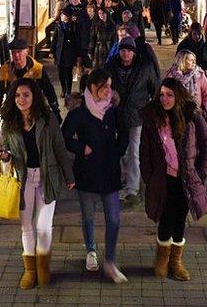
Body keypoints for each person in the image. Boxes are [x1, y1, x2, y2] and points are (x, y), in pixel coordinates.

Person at [0, 79, 75, 289]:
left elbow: (59, 147)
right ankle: (30, 271)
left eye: (26, 95)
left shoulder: (47, 119)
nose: (22, 99)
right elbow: (5, 150)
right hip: (22, 179)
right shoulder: (9, 122)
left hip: (47, 176)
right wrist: (4, 157)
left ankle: (43, 267)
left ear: (34, 97)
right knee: (26, 226)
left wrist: (69, 175)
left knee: (43, 227)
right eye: (18, 96)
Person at [140, 78, 207, 281]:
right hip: (163, 180)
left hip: (186, 179)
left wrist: (201, 173)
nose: (164, 98)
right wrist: (149, 177)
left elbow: (206, 144)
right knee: (165, 219)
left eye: (169, 94)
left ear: (178, 96)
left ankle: (176, 262)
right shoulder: (152, 118)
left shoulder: (192, 115)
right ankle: (162, 259)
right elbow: (144, 153)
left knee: (180, 219)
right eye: (161, 94)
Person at [61, 69, 129, 284]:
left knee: (114, 218)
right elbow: (64, 138)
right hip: (87, 172)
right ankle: (91, 250)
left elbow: (124, 131)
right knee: (89, 215)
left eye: (110, 85)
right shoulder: (79, 112)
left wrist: (117, 151)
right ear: (92, 87)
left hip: (109, 171)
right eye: (103, 86)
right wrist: (83, 148)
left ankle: (110, 260)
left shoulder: (113, 109)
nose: (108, 90)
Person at [106, 37, 160, 206]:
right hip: (117, 115)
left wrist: (153, 109)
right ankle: (123, 176)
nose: (126, 54)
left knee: (135, 151)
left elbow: (155, 89)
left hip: (137, 115)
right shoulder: (110, 67)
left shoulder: (145, 68)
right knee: (119, 150)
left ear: (134, 52)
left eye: (129, 50)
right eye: (123, 50)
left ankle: (132, 188)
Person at [0, 37, 61, 135]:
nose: (16, 55)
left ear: (26, 51)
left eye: (19, 52)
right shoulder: (4, 70)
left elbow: (49, 90)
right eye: (13, 52)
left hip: (34, 113)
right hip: (13, 113)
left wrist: (56, 110)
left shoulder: (37, 69)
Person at [165, 50, 207, 117]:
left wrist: (206, 108)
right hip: (175, 112)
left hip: (195, 111)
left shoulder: (199, 75)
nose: (194, 62)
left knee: (204, 127)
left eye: (194, 60)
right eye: (191, 60)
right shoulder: (171, 76)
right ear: (182, 61)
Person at [50, 10, 80, 96]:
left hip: (69, 52)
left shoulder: (73, 25)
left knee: (68, 73)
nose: (63, 17)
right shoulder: (58, 25)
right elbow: (54, 39)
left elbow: (76, 40)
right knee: (60, 73)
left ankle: (68, 91)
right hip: (60, 52)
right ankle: (63, 88)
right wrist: (52, 51)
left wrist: (77, 54)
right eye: (62, 15)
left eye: (64, 15)